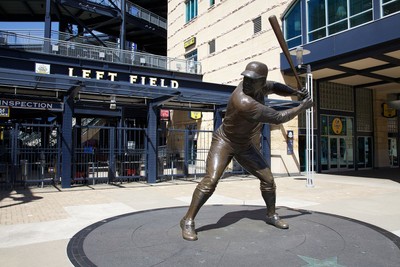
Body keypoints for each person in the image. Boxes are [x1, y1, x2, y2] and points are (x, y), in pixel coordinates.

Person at [180, 61, 313, 241]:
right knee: (210, 181)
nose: (247, 82)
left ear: (261, 81)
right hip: (225, 141)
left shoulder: (259, 87)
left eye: (252, 79)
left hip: (244, 144)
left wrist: (295, 92)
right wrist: (302, 107)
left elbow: (274, 86)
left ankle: (271, 215)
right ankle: (188, 220)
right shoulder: (243, 100)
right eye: (246, 78)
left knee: (268, 179)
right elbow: (278, 117)